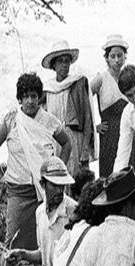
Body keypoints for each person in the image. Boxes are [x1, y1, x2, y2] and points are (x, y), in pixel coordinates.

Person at [0, 72, 71, 266]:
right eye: (26, 97)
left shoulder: (49, 121)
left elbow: (67, 144)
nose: (30, 101)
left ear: (39, 98)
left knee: (42, 240)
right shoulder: (12, 120)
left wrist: (58, 173)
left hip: (44, 190)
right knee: (11, 242)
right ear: (20, 99)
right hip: (18, 190)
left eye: (34, 96)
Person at [91, 34, 135, 178]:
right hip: (109, 136)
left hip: (129, 133)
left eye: (120, 55)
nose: (116, 60)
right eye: (112, 56)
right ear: (106, 58)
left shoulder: (129, 78)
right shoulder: (101, 78)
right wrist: (94, 126)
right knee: (111, 178)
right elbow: (83, 100)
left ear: (125, 56)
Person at [42, 40, 95, 179]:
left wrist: (85, 149)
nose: (64, 65)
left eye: (67, 61)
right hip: (55, 140)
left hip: (74, 140)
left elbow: (87, 117)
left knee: (76, 178)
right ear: (54, 65)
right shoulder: (48, 89)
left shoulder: (78, 84)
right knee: (56, 177)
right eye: (60, 61)